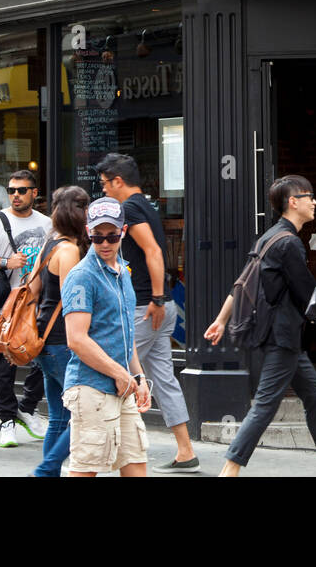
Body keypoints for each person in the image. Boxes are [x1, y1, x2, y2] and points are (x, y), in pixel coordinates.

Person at [204, 175, 316, 477]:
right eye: (310, 196)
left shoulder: (269, 237)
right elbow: (309, 295)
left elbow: (241, 283)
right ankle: (229, 471)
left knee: (315, 396)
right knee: (265, 406)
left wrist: (220, 319)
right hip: (282, 337)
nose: (315, 201)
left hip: (284, 337)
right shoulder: (289, 243)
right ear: (293, 202)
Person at [95, 153, 197, 471]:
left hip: (144, 307)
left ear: (118, 181)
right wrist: (162, 299)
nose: (104, 191)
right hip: (156, 307)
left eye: (104, 184)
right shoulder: (147, 206)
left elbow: (153, 250)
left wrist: (156, 297)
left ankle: (103, 450)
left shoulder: (130, 208)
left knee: (111, 370)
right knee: (163, 379)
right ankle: (185, 451)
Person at [61, 196, 151, 477]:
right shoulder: (82, 276)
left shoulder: (122, 270)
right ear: (88, 233)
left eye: (111, 236)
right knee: (86, 469)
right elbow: (76, 339)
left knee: (136, 464)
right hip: (91, 388)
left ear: (123, 231)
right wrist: (120, 374)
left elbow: (125, 332)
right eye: (97, 237)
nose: (105, 243)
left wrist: (138, 377)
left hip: (122, 386)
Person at [0, 169, 51, 447]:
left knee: (44, 359)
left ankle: (27, 406)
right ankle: (6, 421)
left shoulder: (48, 223)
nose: (15, 195)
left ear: (34, 193)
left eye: (22, 190)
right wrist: (5, 262)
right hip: (6, 304)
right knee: (5, 363)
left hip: (40, 304)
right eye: (11, 190)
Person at [28, 185, 88, 477]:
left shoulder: (49, 244)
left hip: (43, 341)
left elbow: (33, 289)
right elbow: (72, 304)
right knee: (84, 412)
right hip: (62, 343)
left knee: (58, 418)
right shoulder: (69, 251)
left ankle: (47, 474)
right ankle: (45, 470)